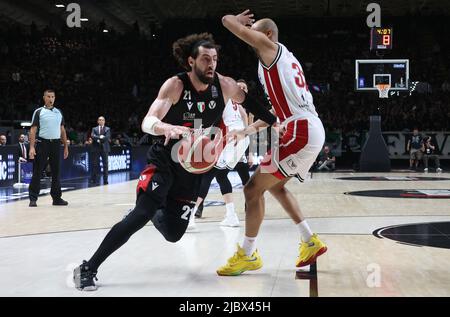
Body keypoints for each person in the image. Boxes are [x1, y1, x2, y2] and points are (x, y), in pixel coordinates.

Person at [73, 33, 276, 291]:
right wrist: (164, 127)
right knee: (141, 213)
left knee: (174, 233)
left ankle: (154, 205)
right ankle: (88, 268)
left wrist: (275, 121)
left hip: (193, 169)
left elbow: (254, 104)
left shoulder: (224, 86)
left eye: (214, 59)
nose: (211, 64)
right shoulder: (176, 85)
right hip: (166, 159)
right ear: (191, 61)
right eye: (205, 59)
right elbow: (148, 121)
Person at [217, 11, 327, 276]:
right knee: (276, 187)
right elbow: (276, 114)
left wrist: (234, 20)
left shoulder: (272, 49)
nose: (251, 34)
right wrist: (247, 130)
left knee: (252, 190)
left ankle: (247, 253)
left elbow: (230, 24)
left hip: (300, 129)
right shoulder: (282, 62)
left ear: (266, 35)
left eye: (256, 31)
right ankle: (310, 241)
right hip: (304, 126)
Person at [187, 79, 252, 230]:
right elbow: (243, 115)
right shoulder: (237, 101)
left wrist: (202, 131)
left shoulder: (221, 97)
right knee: (221, 176)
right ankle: (231, 216)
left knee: (207, 175)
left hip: (232, 139)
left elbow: (212, 117)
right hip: (242, 140)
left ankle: (190, 217)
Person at [28, 89, 69, 207]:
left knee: (56, 172)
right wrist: (31, 147)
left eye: (53, 97)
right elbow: (33, 130)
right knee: (38, 171)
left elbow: (62, 130)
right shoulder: (39, 111)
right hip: (43, 143)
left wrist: (65, 146)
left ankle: (56, 198)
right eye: (48, 96)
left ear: (55, 98)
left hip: (56, 144)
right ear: (44, 98)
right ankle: (33, 198)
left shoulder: (59, 112)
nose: (51, 99)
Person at [90, 116, 111, 185]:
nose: (101, 121)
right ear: (98, 121)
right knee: (95, 164)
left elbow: (107, 137)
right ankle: (93, 179)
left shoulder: (108, 129)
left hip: (105, 149)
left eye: (102, 120)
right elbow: (92, 136)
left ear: (104, 121)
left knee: (105, 165)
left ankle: (105, 180)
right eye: (99, 120)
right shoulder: (94, 129)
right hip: (96, 148)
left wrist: (98, 139)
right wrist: (100, 138)